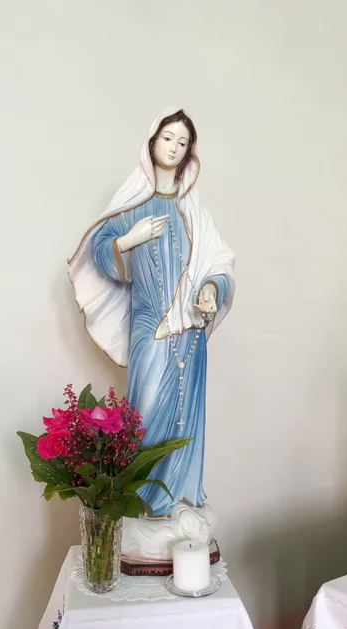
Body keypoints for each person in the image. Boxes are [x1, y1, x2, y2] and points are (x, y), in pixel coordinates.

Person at [68, 107, 235, 516]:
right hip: (150, 326)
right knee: (145, 413)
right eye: (168, 138)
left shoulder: (193, 210)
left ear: (189, 152)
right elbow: (99, 250)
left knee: (185, 417)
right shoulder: (131, 204)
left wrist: (211, 289)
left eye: (182, 142)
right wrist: (129, 239)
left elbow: (219, 262)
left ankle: (177, 501)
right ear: (152, 140)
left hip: (190, 333)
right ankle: (142, 504)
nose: (174, 147)